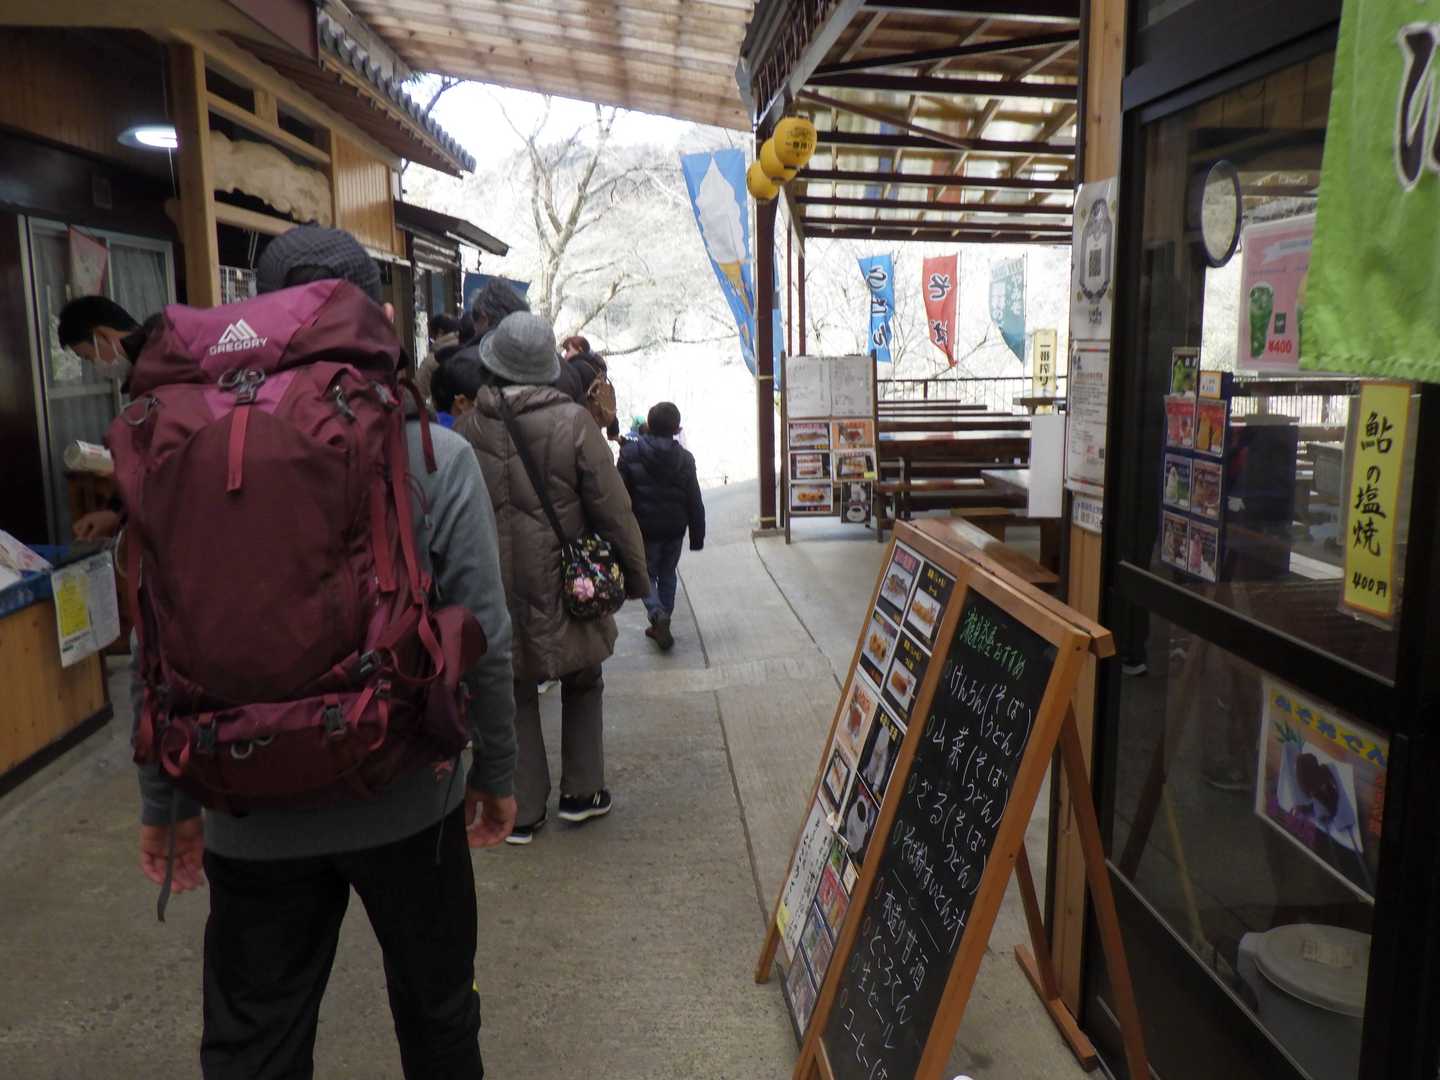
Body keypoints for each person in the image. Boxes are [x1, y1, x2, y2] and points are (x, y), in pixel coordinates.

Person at [132, 226, 518, 1079]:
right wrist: (496, 771)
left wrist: (166, 800)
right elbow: (484, 631)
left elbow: (156, 630)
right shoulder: (430, 450)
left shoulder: (182, 448)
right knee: (439, 1014)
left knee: (255, 1042)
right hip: (406, 793)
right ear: (376, 317)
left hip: (244, 801)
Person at [446, 312, 648, 845]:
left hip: (490, 583)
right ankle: (582, 793)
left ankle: (523, 809)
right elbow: (614, 508)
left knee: (512, 689)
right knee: (582, 677)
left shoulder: (466, 430)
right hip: (564, 582)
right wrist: (636, 576)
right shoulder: (573, 423)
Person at [56, 296, 156, 540]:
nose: (97, 367)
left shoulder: (165, 367)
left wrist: (121, 468)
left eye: (90, 357)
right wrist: (115, 512)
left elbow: (160, 462)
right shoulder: (147, 371)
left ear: (102, 335)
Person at [617, 402, 705, 651]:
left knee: (646, 574)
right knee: (668, 573)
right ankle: (663, 619)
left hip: (643, 529)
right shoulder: (685, 459)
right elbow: (694, 499)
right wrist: (697, 535)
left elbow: (618, 494)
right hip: (675, 530)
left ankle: (657, 614)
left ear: (648, 424)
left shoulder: (630, 454)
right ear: (677, 429)